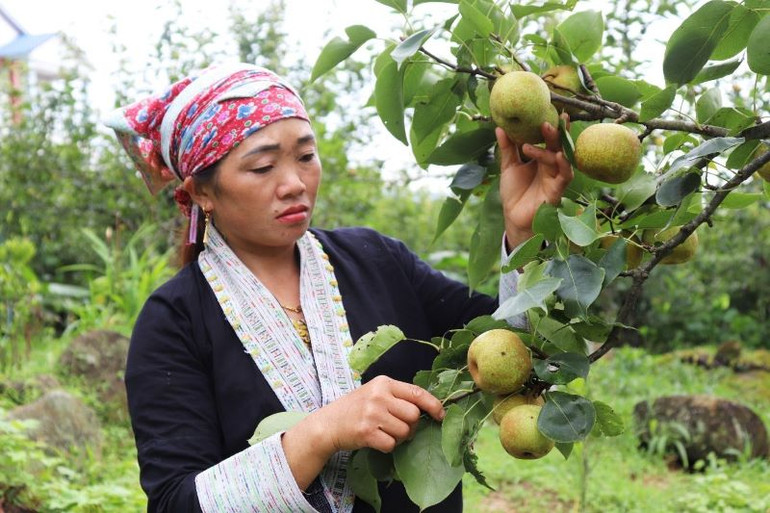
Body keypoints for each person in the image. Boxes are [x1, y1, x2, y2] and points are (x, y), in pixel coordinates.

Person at [105, 63, 572, 513]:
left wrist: (526, 233)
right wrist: (320, 432)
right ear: (202, 192)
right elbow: (176, 502)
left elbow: (521, 349)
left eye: (306, 157)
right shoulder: (175, 320)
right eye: (263, 167)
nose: (294, 184)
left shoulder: (377, 260)